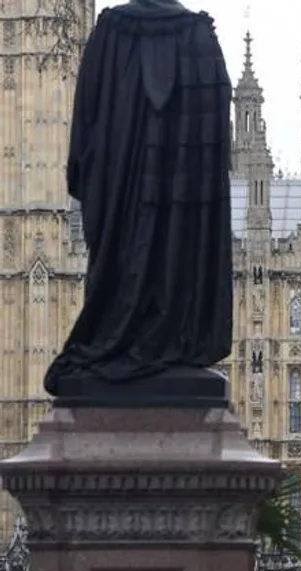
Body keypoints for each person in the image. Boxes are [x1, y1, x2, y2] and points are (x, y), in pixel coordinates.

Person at [45, 0, 236, 404]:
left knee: (121, 260)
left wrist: (86, 172)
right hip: (184, 203)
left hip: (120, 193)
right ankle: (172, 333)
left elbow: (86, 119)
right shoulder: (199, 36)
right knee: (176, 252)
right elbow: (217, 145)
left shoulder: (112, 31)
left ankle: (117, 331)